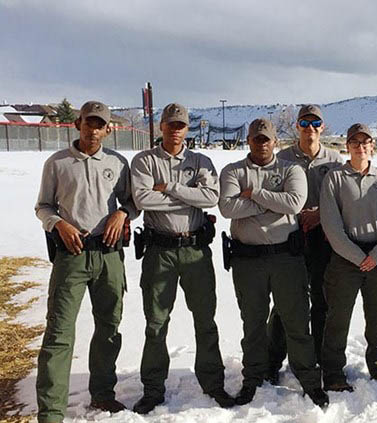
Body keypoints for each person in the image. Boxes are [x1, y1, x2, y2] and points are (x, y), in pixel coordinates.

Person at [35, 101, 138, 423]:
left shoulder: (118, 162)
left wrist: (122, 213)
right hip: (72, 255)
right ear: (77, 123)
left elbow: (132, 202)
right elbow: (43, 206)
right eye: (88, 123)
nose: (93, 129)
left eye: (100, 124)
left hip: (108, 256)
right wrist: (58, 224)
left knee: (109, 327)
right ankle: (51, 411)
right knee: (59, 333)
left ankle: (103, 395)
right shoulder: (58, 163)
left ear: (109, 128)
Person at [130, 103, 233, 413]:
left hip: (195, 250)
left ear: (187, 129)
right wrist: (188, 196)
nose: (175, 130)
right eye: (170, 124)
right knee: (156, 323)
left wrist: (171, 188)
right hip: (159, 251)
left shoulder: (200, 160)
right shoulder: (145, 161)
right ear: (161, 126)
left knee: (206, 320)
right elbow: (143, 198)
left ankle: (213, 383)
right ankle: (152, 389)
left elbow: (211, 198)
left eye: (181, 125)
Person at [218, 118, 329, 408]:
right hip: (248, 259)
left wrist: (253, 195)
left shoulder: (290, 169)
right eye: (257, 139)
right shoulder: (233, 171)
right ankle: (253, 377)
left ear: (276, 142)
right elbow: (228, 207)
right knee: (252, 323)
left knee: (296, 321)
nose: (262, 143)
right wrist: (272, 203)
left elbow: (293, 203)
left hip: (286, 259)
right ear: (249, 141)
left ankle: (308, 380)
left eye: (267, 139)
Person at [319, 123, 377, 392]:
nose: (360, 146)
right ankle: (332, 372)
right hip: (346, 258)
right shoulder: (335, 178)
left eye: (365, 142)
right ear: (347, 146)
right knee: (338, 317)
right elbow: (331, 224)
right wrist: (357, 257)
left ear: (372, 146)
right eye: (354, 142)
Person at [266, 104, 345, 383]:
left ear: (322, 127)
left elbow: (343, 200)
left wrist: (320, 214)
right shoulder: (283, 158)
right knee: (286, 300)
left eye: (315, 123)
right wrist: (297, 214)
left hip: (325, 238)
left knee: (322, 299)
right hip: (290, 235)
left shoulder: (335, 160)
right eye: (304, 123)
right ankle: (273, 360)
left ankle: (321, 359)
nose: (309, 128)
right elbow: (271, 195)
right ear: (297, 126)